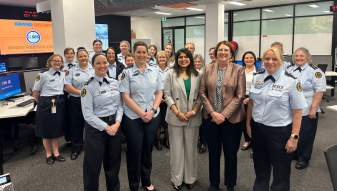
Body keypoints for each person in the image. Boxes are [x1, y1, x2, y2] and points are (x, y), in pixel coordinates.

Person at [247, 48, 307, 191]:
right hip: (258, 130)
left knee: (281, 173)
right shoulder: (257, 77)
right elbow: (251, 103)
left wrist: (294, 137)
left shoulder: (291, 81)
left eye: (274, 59)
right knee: (260, 169)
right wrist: (248, 124)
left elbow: (298, 112)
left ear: (281, 61)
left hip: (279, 132)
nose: (270, 62)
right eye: (267, 59)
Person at [199, 41, 245, 191]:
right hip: (211, 119)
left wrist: (223, 115)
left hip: (232, 120)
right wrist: (213, 113)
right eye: (220, 50)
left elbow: (240, 96)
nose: (223, 53)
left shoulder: (239, 70)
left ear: (231, 54)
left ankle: (230, 184)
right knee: (213, 154)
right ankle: (214, 183)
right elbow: (202, 93)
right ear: (216, 53)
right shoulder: (207, 68)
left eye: (226, 50)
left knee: (231, 155)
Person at [120, 41, 163, 191]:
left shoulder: (155, 70)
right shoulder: (127, 73)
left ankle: (146, 181)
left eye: (144, 52)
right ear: (133, 53)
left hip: (151, 116)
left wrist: (152, 110)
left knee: (147, 150)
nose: (142, 55)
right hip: (133, 117)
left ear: (148, 54)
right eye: (138, 52)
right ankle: (134, 184)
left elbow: (159, 92)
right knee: (134, 151)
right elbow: (125, 96)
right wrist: (141, 113)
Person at [81, 53, 123, 191]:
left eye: (104, 62)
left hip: (114, 127)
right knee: (92, 167)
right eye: (98, 63)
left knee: (113, 165)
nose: (102, 65)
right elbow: (87, 115)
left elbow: (120, 106)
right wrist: (106, 127)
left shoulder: (115, 83)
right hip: (96, 129)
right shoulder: (87, 87)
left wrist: (117, 123)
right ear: (93, 65)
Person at [164, 48, 202, 190]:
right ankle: (177, 179)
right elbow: (166, 95)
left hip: (193, 117)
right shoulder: (170, 74)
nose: (183, 59)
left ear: (190, 59)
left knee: (191, 149)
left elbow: (201, 96)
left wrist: (193, 111)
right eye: (180, 57)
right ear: (177, 59)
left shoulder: (198, 74)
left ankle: (190, 178)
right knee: (177, 150)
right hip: (175, 117)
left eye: (186, 57)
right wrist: (177, 112)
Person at [286, 47, 326, 169]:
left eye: (301, 56)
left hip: (307, 108)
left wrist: (314, 108)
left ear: (307, 57)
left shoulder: (315, 71)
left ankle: (303, 158)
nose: (298, 58)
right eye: (296, 56)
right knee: (293, 132)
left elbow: (319, 91)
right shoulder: (289, 69)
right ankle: (294, 153)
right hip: (291, 109)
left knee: (306, 135)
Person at [32, 54, 66, 165]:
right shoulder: (42, 75)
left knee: (55, 129)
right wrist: (41, 103)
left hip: (58, 102)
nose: (57, 62)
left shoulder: (63, 74)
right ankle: (48, 154)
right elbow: (35, 92)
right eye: (55, 60)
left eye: (59, 61)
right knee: (46, 130)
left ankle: (56, 153)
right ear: (50, 62)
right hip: (46, 103)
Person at [64, 49, 94, 160]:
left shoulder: (93, 68)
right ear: (77, 58)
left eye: (85, 56)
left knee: (91, 124)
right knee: (76, 125)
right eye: (80, 56)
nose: (83, 58)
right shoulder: (72, 70)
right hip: (76, 101)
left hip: (92, 101)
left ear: (88, 56)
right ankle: (76, 148)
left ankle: (91, 147)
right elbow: (67, 86)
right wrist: (82, 93)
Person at [241, 51, 257, 151]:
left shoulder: (259, 71)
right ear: (243, 60)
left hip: (254, 98)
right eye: (246, 58)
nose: (249, 59)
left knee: (254, 120)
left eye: (251, 57)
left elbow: (260, 87)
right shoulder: (240, 71)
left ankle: (255, 141)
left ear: (254, 59)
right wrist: (242, 98)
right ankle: (247, 140)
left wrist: (250, 97)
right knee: (244, 121)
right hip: (242, 98)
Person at [154, 51, 170, 150]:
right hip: (156, 98)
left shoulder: (171, 70)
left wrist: (166, 96)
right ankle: (158, 141)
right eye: (160, 57)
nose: (162, 59)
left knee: (167, 120)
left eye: (164, 57)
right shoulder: (153, 70)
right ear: (157, 59)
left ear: (167, 58)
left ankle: (167, 140)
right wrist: (159, 97)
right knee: (157, 121)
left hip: (168, 97)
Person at [193, 54, 207, 154]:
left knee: (202, 124)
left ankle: (203, 142)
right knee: (194, 123)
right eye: (195, 62)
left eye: (199, 62)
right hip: (193, 102)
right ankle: (195, 141)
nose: (197, 63)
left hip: (203, 101)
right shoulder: (190, 73)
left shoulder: (205, 72)